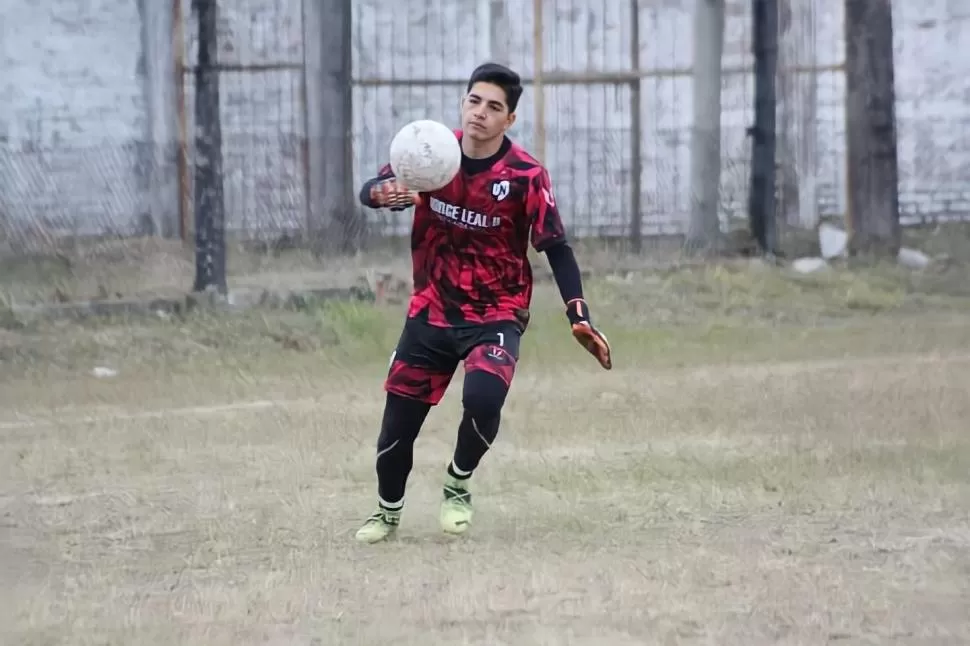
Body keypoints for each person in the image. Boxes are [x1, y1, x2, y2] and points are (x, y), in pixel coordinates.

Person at [354, 62, 612, 543]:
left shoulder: (525, 175)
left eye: (494, 107)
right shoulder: (433, 152)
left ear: (509, 120)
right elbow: (370, 190)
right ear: (463, 102)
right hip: (431, 309)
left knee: (484, 398)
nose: (480, 113)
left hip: (497, 312)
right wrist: (382, 193)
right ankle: (387, 512)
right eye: (474, 101)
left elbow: (556, 245)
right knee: (395, 432)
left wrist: (579, 313)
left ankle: (458, 481)